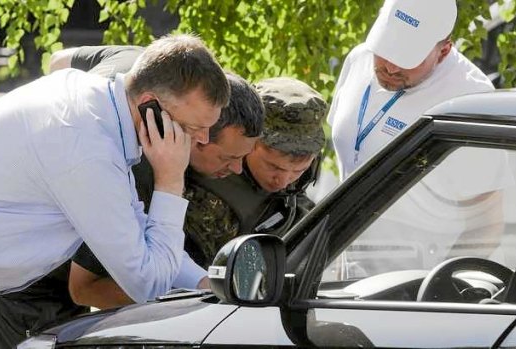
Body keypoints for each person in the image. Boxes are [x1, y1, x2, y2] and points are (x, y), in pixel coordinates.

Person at [0, 34, 229, 348]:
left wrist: (206, 283)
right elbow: (147, 284)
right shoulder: (87, 148)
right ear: (150, 106)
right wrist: (170, 181)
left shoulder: (96, 106)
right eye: (192, 128)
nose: (203, 140)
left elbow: (139, 234)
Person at [0, 45, 264, 347]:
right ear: (170, 123)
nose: (237, 169)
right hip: (30, 287)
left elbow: (59, 60)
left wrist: (200, 281)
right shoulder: (130, 168)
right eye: (227, 157)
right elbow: (87, 287)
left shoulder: (149, 66)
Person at [69, 76, 327, 309]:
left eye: (299, 171)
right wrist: (198, 298)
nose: (283, 180)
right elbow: (87, 288)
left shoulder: (301, 209)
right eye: (273, 166)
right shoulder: (154, 173)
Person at [327, 0, 511, 276]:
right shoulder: (359, 59)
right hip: (345, 269)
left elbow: (486, 222)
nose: (388, 67)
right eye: (384, 51)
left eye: (405, 59)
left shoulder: (469, 97)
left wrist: (436, 291)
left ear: (443, 50)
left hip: (414, 285)